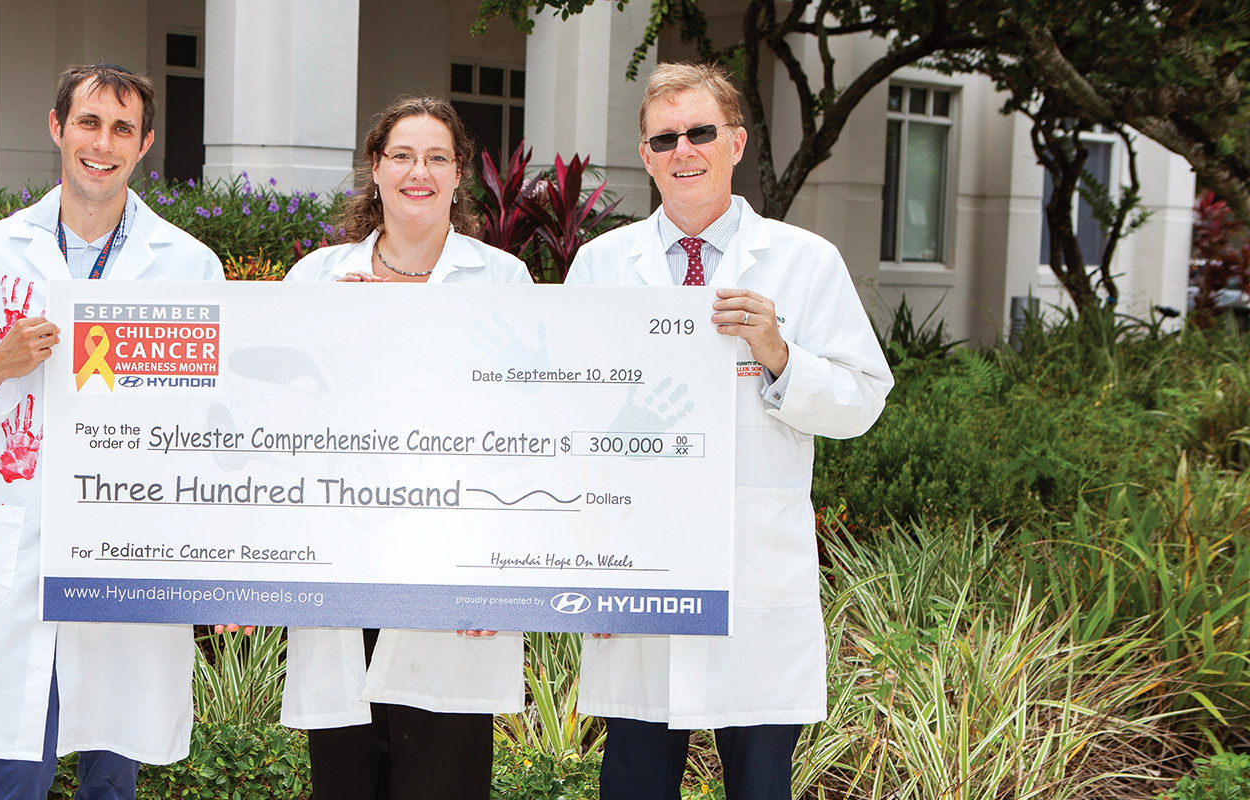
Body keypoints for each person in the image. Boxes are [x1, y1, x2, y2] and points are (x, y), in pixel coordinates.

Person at [564, 63, 893, 800]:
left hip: (752, 572)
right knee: (634, 785)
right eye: (665, 138)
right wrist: (593, 568)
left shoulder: (805, 263)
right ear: (646, 156)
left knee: (759, 787)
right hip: (640, 572)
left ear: (736, 143)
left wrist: (780, 356)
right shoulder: (602, 265)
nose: (685, 150)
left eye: (701, 132)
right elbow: (569, 425)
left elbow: (863, 400)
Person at [0, 64, 224, 800]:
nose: (102, 143)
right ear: (57, 128)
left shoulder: (186, 265)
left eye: (122, 129)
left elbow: (216, 422)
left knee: (113, 774)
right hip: (22, 546)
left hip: (129, 548)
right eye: (88, 123)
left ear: (144, 143)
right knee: (13, 775)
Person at [277, 97, 530, 800]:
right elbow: (275, 430)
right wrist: (339, 339)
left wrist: (503, 580)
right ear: (376, 170)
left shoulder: (503, 283)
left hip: (453, 572)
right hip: (343, 566)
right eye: (402, 156)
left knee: (442, 778)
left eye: (436, 157)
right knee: (347, 780)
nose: (418, 172)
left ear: (459, 177)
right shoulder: (317, 281)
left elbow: (528, 437)